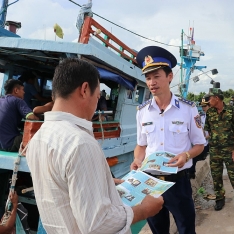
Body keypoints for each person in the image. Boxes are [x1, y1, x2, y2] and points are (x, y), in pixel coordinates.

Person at [26, 58, 163, 234]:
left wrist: (101, 181)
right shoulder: (80, 142)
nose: (96, 103)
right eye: (98, 96)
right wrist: (144, 210)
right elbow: (98, 224)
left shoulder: (39, 137)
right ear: (84, 90)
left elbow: (60, 187)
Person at [131, 46, 205, 234]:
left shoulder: (188, 109)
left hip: (178, 183)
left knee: (186, 229)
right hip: (150, 182)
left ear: (170, 76)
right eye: (148, 78)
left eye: (156, 76)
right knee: (158, 230)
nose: (152, 82)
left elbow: (200, 145)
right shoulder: (142, 112)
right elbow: (141, 145)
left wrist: (186, 155)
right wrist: (137, 160)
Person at [204, 88, 234, 213]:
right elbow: (207, 130)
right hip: (214, 150)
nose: (208, 101)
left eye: (210, 98)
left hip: (229, 149)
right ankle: (220, 199)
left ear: (217, 98)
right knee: (216, 175)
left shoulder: (232, 110)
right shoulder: (209, 112)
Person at [0, 79, 39, 152]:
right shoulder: (18, 100)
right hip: (10, 144)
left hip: (1, 145)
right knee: (40, 140)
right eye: (23, 90)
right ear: (16, 90)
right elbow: (31, 117)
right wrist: (39, 117)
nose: (24, 92)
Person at [189, 94, 210, 179]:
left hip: (208, 143)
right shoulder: (201, 117)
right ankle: (191, 174)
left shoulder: (213, 117)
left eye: (205, 106)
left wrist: (204, 138)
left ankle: (191, 174)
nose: (203, 108)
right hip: (202, 142)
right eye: (202, 106)